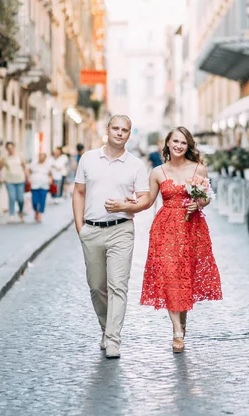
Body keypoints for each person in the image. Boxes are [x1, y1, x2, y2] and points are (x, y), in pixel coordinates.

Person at [72, 115, 150, 359]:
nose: (119, 133)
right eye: (115, 128)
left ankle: (113, 338)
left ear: (129, 134)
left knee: (118, 286)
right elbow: (79, 192)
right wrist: (80, 227)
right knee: (97, 287)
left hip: (121, 230)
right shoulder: (88, 158)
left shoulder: (136, 165)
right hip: (92, 230)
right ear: (107, 130)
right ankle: (106, 328)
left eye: (124, 130)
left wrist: (127, 207)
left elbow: (145, 198)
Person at [140, 126, 222, 353]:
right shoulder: (157, 172)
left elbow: (206, 197)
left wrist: (200, 203)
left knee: (185, 277)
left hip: (192, 228)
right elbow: (148, 200)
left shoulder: (199, 169)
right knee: (170, 276)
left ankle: (181, 321)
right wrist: (128, 204)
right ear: (167, 143)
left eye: (183, 142)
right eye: (175, 141)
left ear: (188, 146)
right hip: (165, 228)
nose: (178, 145)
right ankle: (177, 330)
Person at [0, 141, 27, 223]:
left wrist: (28, 177)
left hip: (20, 180)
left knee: (20, 199)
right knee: (12, 197)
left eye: (11, 148)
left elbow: (25, 167)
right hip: (9, 180)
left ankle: (20, 211)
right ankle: (12, 215)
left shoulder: (19, 156)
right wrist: (0, 178)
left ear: (14, 147)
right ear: (7, 149)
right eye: (8, 148)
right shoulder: (5, 158)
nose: (10, 149)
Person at [27, 153, 53, 223]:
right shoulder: (33, 164)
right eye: (40, 157)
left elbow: (51, 174)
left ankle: (40, 215)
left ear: (45, 158)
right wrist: (28, 178)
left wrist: (50, 179)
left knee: (42, 201)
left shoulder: (47, 165)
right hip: (34, 185)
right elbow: (28, 171)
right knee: (34, 201)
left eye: (43, 157)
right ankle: (36, 211)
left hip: (44, 185)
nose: (41, 159)